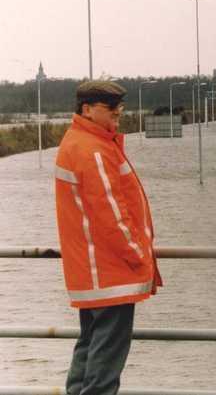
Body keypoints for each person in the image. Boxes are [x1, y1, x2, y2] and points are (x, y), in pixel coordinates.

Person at [55, 80, 163, 395]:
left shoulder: (78, 142)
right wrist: (139, 256)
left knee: (89, 347)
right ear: (86, 109)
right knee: (105, 363)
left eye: (119, 107)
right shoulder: (94, 150)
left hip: (92, 272)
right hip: (110, 272)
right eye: (110, 107)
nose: (117, 112)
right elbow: (111, 214)